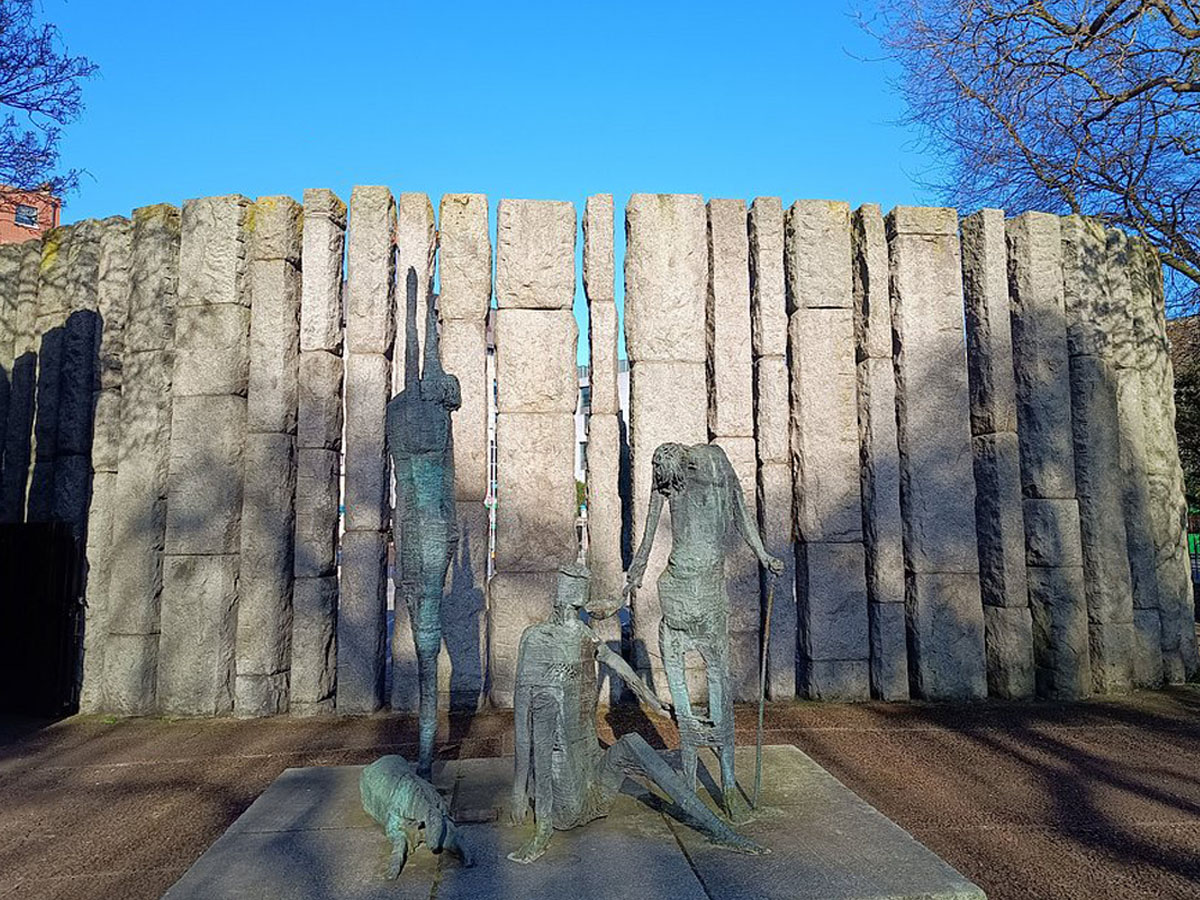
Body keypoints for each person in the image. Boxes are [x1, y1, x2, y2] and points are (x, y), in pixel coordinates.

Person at [508, 563, 766, 864]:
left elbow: (617, 663)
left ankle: (718, 829)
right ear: (560, 603)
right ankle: (542, 832)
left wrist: (652, 700)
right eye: (570, 610)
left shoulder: (582, 635)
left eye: (576, 612)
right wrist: (518, 789)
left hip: (594, 779)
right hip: (565, 800)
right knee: (544, 709)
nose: (573, 619)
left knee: (631, 742)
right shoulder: (535, 640)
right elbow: (523, 721)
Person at [625, 442, 783, 821]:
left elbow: (742, 512)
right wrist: (636, 572)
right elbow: (647, 532)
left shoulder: (715, 468)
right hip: (677, 588)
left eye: (669, 480)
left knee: (719, 682)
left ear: (683, 467)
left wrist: (762, 554)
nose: (666, 486)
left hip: (709, 591)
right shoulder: (667, 478)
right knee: (680, 686)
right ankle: (691, 776)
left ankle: (727, 780)